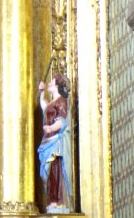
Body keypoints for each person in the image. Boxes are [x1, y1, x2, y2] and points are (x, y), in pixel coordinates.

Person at [38, 75, 74, 213]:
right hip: (48, 140)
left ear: (58, 85)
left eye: (52, 82)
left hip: (56, 142)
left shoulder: (61, 102)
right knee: (48, 171)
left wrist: (51, 128)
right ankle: (52, 200)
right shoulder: (53, 102)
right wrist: (42, 93)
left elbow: (62, 121)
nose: (49, 84)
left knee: (55, 170)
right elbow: (45, 107)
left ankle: (58, 201)